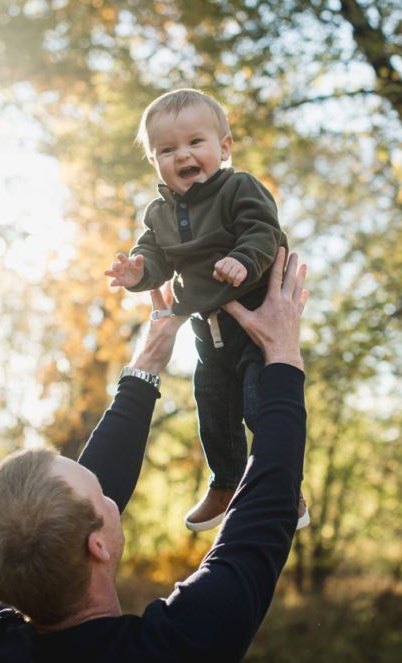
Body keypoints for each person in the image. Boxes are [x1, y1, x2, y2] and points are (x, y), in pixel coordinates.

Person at [0, 248, 310, 663]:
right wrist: (283, 352)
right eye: (102, 496)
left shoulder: (1, 641)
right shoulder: (172, 656)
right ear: (97, 546)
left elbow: (82, 499)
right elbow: (266, 510)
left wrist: (149, 362)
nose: (112, 494)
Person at [104, 88, 307, 531]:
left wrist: (244, 258)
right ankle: (226, 482)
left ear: (224, 147)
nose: (183, 155)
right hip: (207, 336)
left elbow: (263, 232)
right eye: (167, 149)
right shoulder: (158, 213)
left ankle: (284, 485)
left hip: (253, 322)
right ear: (154, 160)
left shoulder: (238, 188)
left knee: (259, 404)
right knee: (212, 412)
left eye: (195, 142)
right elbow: (154, 256)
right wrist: (137, 272)